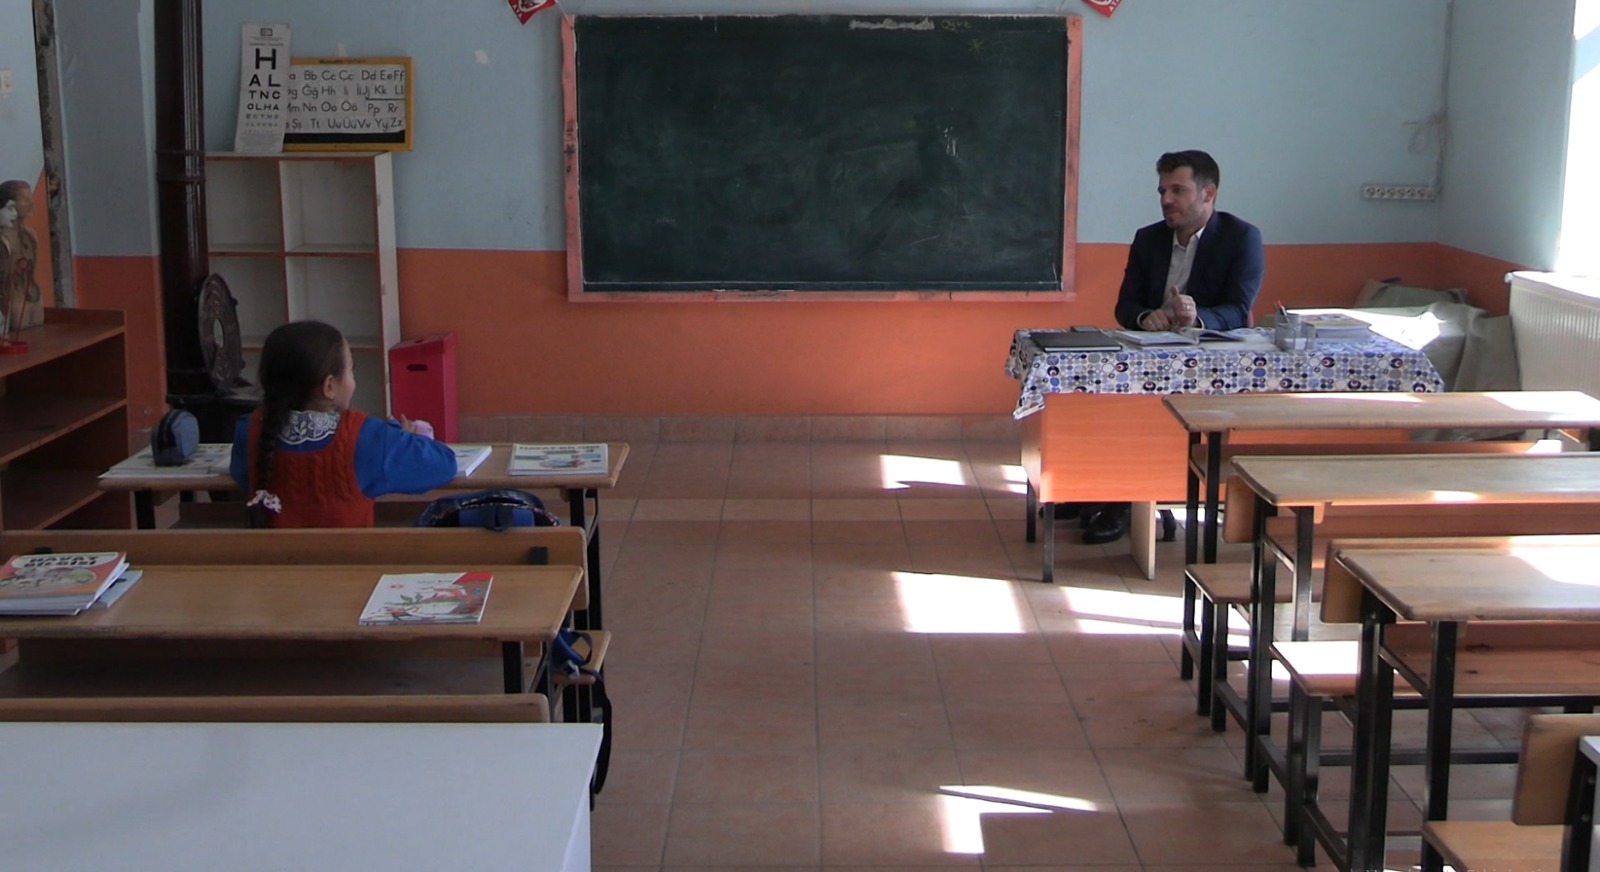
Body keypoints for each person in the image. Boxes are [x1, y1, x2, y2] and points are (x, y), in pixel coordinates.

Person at [1083, 150, 1265, 545]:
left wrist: (1197, 318)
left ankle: (1127, 501)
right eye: (1163, 191)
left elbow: (1238, 308)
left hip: (1210, 367)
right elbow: (1125, 305)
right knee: (1102, 400)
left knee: (1161, 415)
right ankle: (1097, 487)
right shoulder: (1148, 239)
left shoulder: (1241, 237)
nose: (1166, 199)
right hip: (1151, 358)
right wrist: (1145, 316)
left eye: (1178, 190)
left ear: (1208, 193)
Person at [230, 320, 456, 528]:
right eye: (351, 369)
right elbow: (444, 464)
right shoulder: (368, 437)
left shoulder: (250, 429)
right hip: (349, 560)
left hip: (270, 560)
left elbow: (242, 474)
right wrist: (404, 437)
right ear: (329, 386)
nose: (352, 380)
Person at [0, 180, 45, 337]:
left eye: (31, 198)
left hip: (33, 295)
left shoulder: (30, 235)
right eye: (25, 199)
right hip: (14, 299)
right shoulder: (4, 240)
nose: (31, 203)